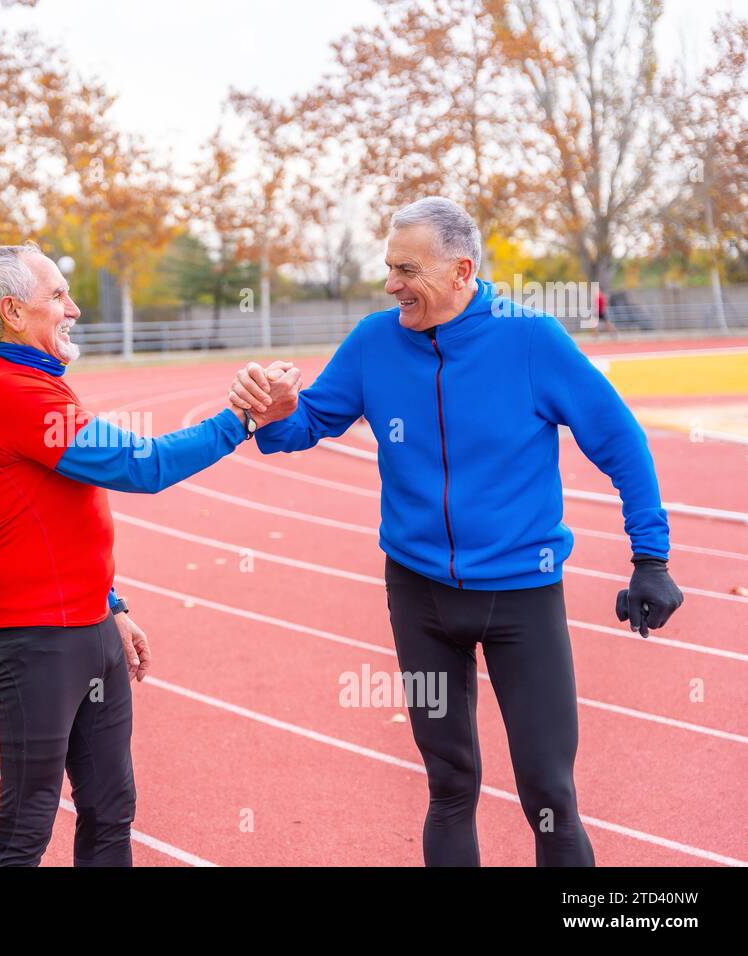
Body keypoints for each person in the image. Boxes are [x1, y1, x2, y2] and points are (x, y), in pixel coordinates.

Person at [230, 197, 683, 867]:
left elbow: (620, 443)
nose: (391, 284)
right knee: (449, 786)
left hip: (521, 597)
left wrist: (651, 557)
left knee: (548, 793)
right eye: (388, 267)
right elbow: (304, 426)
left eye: (406, 268)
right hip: (419, 597)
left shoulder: (530, 340)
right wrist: (274, 408)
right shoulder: (374, 341)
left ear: (461, 270)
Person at [0, 243, 301, 866]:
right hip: (34, 639)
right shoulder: (9, 394)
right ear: (11, 311)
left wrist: (110, 603)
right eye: (58, 295)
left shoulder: (38, 384)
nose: (76, 309)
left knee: (112, 810)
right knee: (28, 821)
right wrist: (242, 418)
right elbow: (144, 465)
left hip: (87, 628)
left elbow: (63, 519)